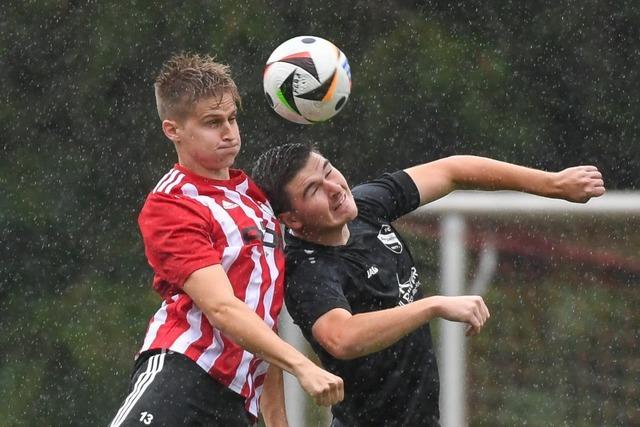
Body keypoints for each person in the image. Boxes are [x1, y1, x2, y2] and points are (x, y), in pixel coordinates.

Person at [251, 143, 605, 427]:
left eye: (328, 171)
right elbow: (340, 337)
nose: (335, 188)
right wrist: (431, 305)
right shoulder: (306, 268)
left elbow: (452, 170)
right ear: (292, 219)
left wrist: (553, 184)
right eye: (314, 189)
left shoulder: (367, 206)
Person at [109, 55, 343, 427]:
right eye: (212, 123)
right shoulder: (172, 203)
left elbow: (262, 318)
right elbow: (222, 308)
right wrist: (301, 365)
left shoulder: (252, 195)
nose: (229, 132)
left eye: (232, 119)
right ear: (173, 130)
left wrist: (277, 419)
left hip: (238, 402)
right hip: (184, 377)